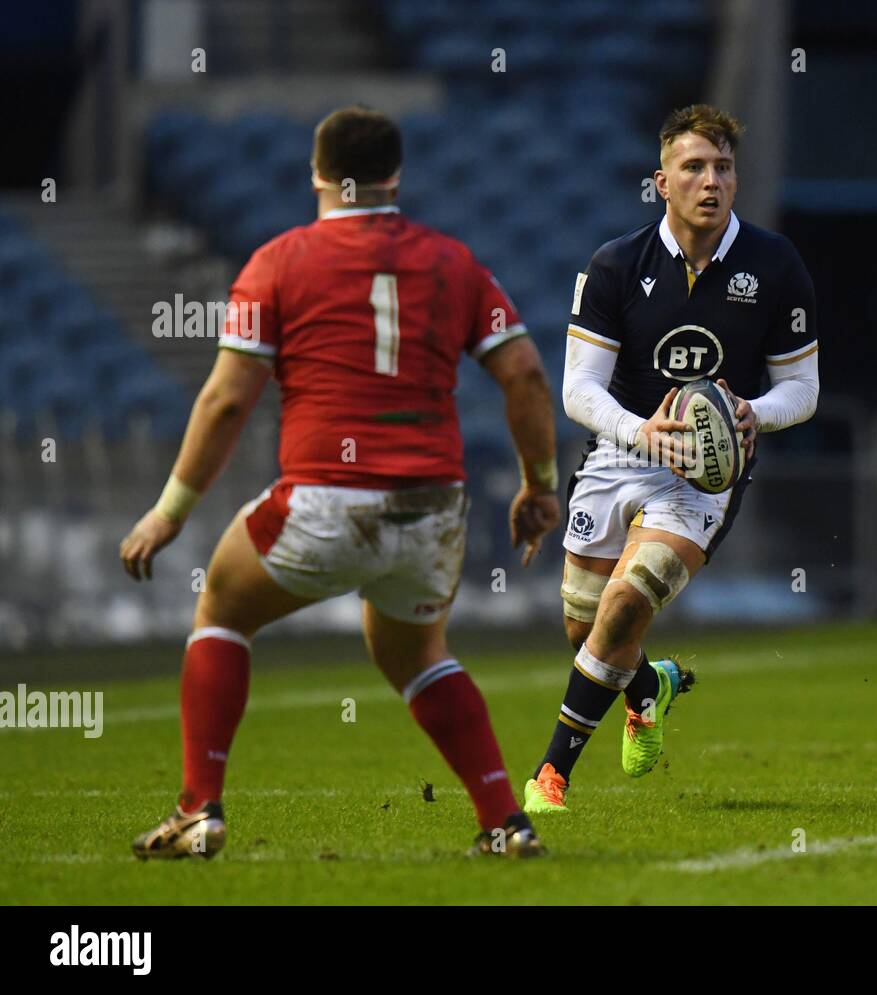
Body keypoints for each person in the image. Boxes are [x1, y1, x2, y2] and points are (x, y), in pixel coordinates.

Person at [120, 105, 560, 858]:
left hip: (326, 498)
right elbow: (521, 370)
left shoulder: (280, 260)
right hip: (433, 506)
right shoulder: (453, 261)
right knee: (415, 652)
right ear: (396, 176)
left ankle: (199, 807)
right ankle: (504, 820)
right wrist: (539, 484)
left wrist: (170, 511)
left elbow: (227, 399)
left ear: (318, 175)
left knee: (222, 605)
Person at [523, 104, 819, 814]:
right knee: (587, 629)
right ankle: (646, 687)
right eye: (693, 167)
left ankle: (548, 774)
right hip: (621, 453)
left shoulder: (774, 265)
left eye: (722, 168)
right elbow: (578, 389)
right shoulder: (615, 264)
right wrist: (639, 432)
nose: (710, 181)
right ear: (661, 181)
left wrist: (755, 412)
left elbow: (802, 389)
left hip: (706, 470)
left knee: (627, 603)